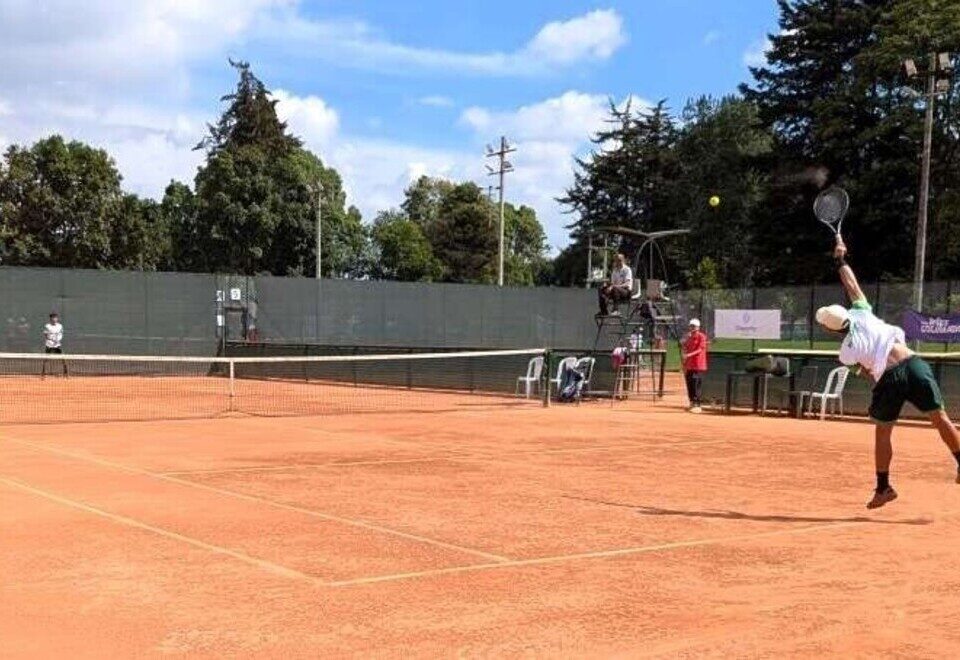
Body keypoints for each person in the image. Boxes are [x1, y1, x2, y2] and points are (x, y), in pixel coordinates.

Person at [817, 236, 960, 509]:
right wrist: (840, 257)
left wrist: (880, 382)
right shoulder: (862, 312)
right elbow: (851, 284)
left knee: (883, 432)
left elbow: (869, 374)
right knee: (940, 417)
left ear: (831, 330)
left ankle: (883, 488)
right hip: (914, 363)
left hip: (890, 377)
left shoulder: (846, 352)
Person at [682, 318, 708, 413]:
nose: (692, 328)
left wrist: (689, 355)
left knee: (696, 384)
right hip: (689, 365)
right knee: (689, 384)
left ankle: (697, 404)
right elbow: (685, 347)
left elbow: (700, 349)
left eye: (694, 326)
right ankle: (692, 402)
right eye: (691, 326)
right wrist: (684, 363)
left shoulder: (702, 337)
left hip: (698, 365)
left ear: (698, 327)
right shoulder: (689, 337)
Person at [41, 312, 67, 377]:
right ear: (50, 319)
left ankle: (66, 373)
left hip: (57, 345)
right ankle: (43, 373)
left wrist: (58, 340)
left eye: (55, 317)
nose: (54, 319)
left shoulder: (60, 326)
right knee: (46, 359)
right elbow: (46, 335)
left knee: (63, 358)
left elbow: (61, 334)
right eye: (53, 318)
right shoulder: (47, 326)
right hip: (49, 345)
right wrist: (51, 339)